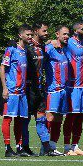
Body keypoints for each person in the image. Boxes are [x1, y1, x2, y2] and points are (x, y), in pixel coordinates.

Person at [0, 26, 31, 157]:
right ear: (20, 35)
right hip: (12, 91)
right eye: (28, 34)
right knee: (8, 118)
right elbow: (2, 68)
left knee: (20, 119)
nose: (30, 37)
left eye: (31, 34)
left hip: (22, 92)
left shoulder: (25, 51)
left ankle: (19, 147)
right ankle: (8, 148)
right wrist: (5, 88)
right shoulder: (11, 50)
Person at [41, 25, 70, 156]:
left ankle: (52, 146)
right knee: (50, 118)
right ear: (57, 34)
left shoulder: (65, 49)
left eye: (68, 34)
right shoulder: (50, 48)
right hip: (53, 90)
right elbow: (40, 51)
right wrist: (48, 42)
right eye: (64, 34)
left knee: (59, 118)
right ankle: (44, 147)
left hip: (64, 90)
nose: (66, 36)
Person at [64, 22, 83, 155]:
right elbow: (55, 42)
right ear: (75, 31)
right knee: (71, 116)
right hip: (73, 85)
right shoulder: (69, 42)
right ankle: (66, 146)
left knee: (80, 116)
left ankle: (75, 145)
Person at [25, 22, 49, 155]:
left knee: (41, 119)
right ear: (36, 31)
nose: (46, 33)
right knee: (26, 119)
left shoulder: (43, 46)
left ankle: (46, 148)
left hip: (40, 89)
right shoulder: (27, 47)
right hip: (29, 90)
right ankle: (25, 147)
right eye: (44, 31)